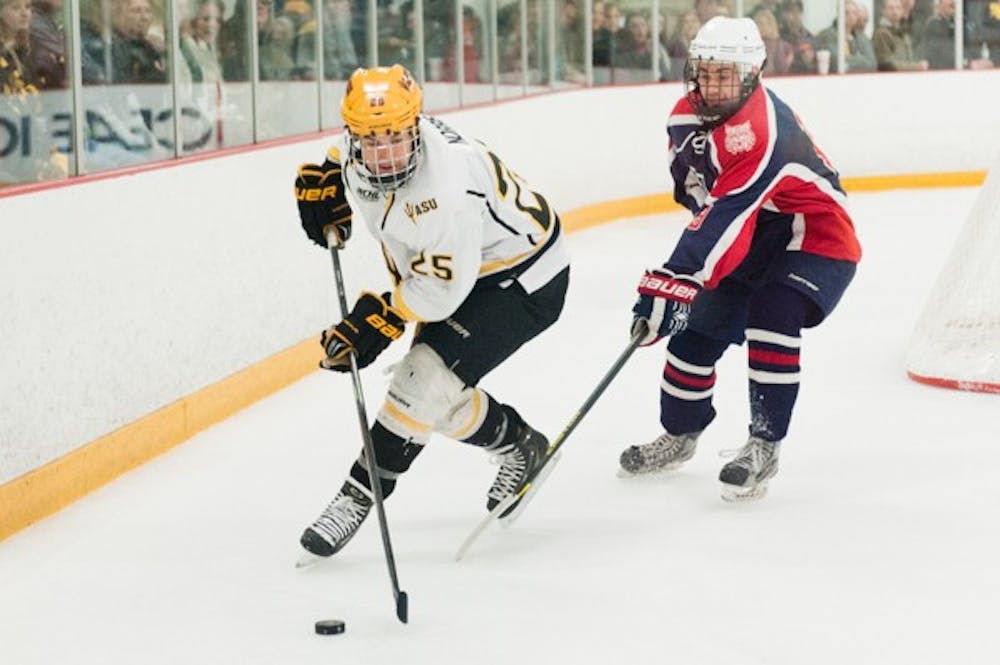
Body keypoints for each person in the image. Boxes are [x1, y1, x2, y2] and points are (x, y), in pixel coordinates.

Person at [292, 65, 570, 559]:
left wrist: (384, 314)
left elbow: (442, 293)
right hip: (464, 268)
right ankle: (521, 445)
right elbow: (348, 148)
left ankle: (358, 495)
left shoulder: (443, 193)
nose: (384, 155)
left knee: (422, 381)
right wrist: (329, 172)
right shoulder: (371, 142)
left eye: (396, 140)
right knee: (433, 402)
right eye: (370, 143)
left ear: (416, 129)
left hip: (523, 277)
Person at [618, 17, 861, 501]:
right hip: (749, 229)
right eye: (704, 71)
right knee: (693, 333)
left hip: (813, 232)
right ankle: (681, 434)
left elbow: (726, 213)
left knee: (773, 314)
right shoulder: (685, 117)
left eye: (724, 74)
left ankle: (763, 445)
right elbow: (699, 197)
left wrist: (675, 278)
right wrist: (687, 283)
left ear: (751, 74)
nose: (710, 83)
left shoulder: (763, 130)